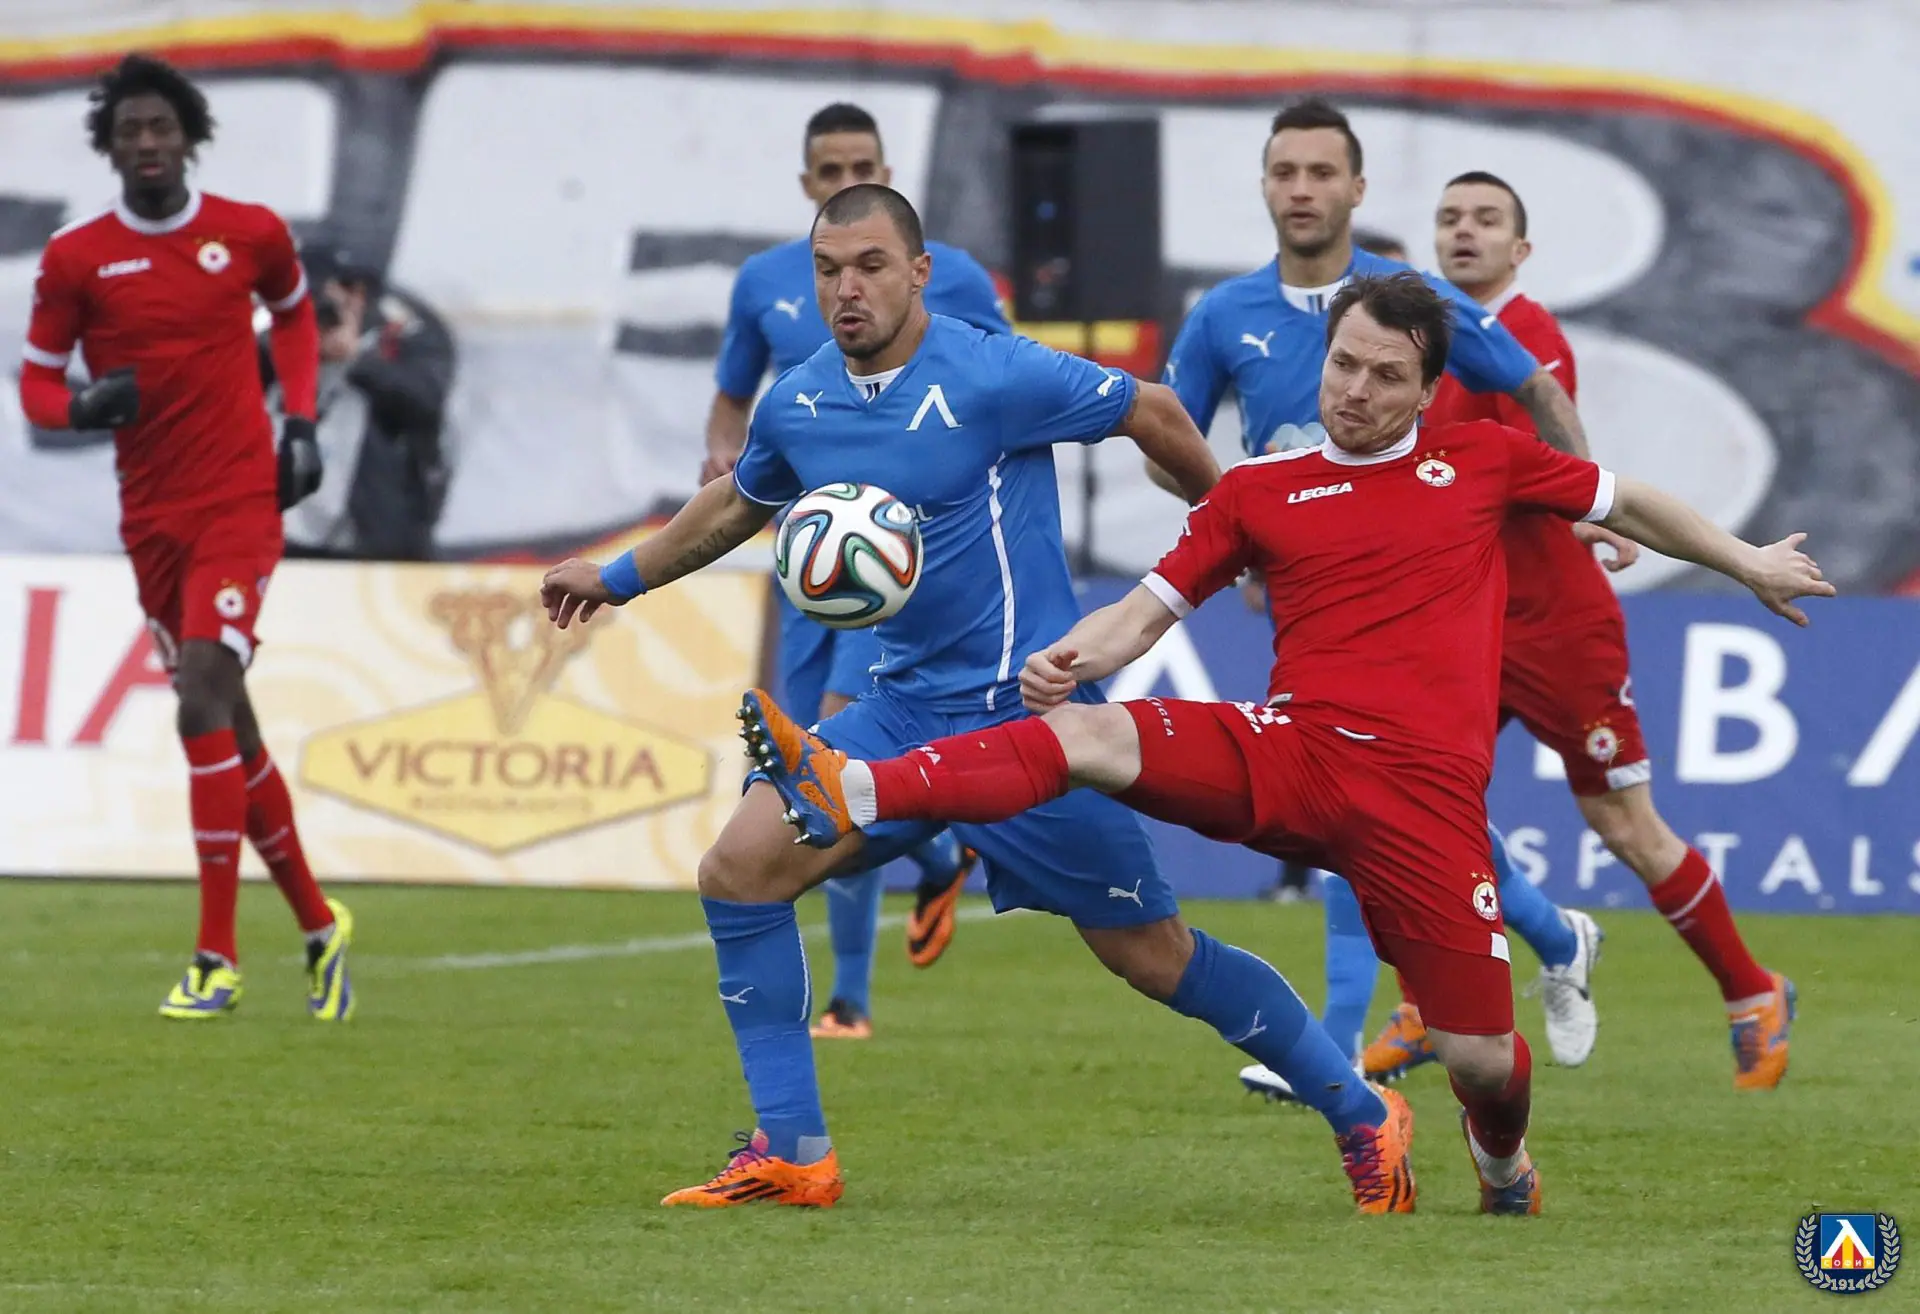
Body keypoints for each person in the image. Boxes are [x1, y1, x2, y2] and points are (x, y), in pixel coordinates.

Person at [743, 272, 1833, 1215]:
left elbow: (1629, 501)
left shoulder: (1484, 461)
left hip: (1425, 802)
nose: (1355, 391)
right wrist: (1072, 654)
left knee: (1481, 1060)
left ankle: (1502, 1162)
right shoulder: (1262, 491)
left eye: (1385, 376)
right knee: (1079, 732)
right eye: (1343, 365)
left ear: (1425, 389)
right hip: (1294, 753)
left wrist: (1747, 562)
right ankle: (857, 788)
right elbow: (1148, 610)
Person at [540, 184, 1411, 1214]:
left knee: (1154, 957)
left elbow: (1156, 411)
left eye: (870, 267)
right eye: (828, 270)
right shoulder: (800, 402)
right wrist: (617, 577)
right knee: (739, 870)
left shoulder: (995, 371)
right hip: (898, 711)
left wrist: (1239, 538)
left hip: (1032, 724)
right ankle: (795, 1152)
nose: (847, 289)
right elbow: (738, 501)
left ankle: (1363, 1113)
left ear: (919, 273)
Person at [1158, 99, 1618, 1082]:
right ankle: (1555, 934)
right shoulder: (1224, 315)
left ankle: (1334, 1044)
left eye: (1322, 172)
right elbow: (1169, 439)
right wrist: (1246, 523)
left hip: (1418, 595)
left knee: (1361, 803)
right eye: (1286, 171)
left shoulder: (1412, 305)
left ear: (1357, 188)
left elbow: (1534, 387)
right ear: (1264, 184)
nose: (1303, 190)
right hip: (1304, 594)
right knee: (1391, 808)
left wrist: (1585, 506)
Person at [1355, 172, 1794, 1091]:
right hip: (1464, 628)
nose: (1464, 231)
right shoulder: (1419, 351)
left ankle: (1753, 991)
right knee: (1403, 808)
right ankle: (1423, 1006)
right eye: (1450, 218)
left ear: (1520, 250)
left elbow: (1540, 462)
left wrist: (1590, 512)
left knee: (1624, 825)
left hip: (1557, 627)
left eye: (1486, 220)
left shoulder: (1527, 337)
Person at [17, 53, 354, 1020]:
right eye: (131, 130)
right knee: (228, 725)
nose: (148, 143)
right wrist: (82, 408)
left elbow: (295, 317)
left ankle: (215, 957)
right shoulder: (77, 259)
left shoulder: (247, 233)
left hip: (239, 501)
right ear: (110, 147)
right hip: (151, 520)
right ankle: (321, 925)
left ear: (190, 137)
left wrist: (300, 422)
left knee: (201, 688)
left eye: (162, 126)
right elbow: (35, 383)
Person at [703, 102, 1008, 1038]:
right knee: (806, 765)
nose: (846, 180)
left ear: (888, 171)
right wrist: (722, 458)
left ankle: (849, 1001)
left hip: (906, 568)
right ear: (807, 183)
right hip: (810, 562)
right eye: (830, 169)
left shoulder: (951, 276)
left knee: (831, 760)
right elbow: (731, 399)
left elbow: (1006, 383)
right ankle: (938, 859)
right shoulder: (766, 282)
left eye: (862, 165)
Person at [276, 246, 455, 560]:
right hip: (275, 539)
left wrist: (356, 358)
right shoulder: (262, 325)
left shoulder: (405, 332)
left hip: (371, 543)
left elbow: (426, 403)